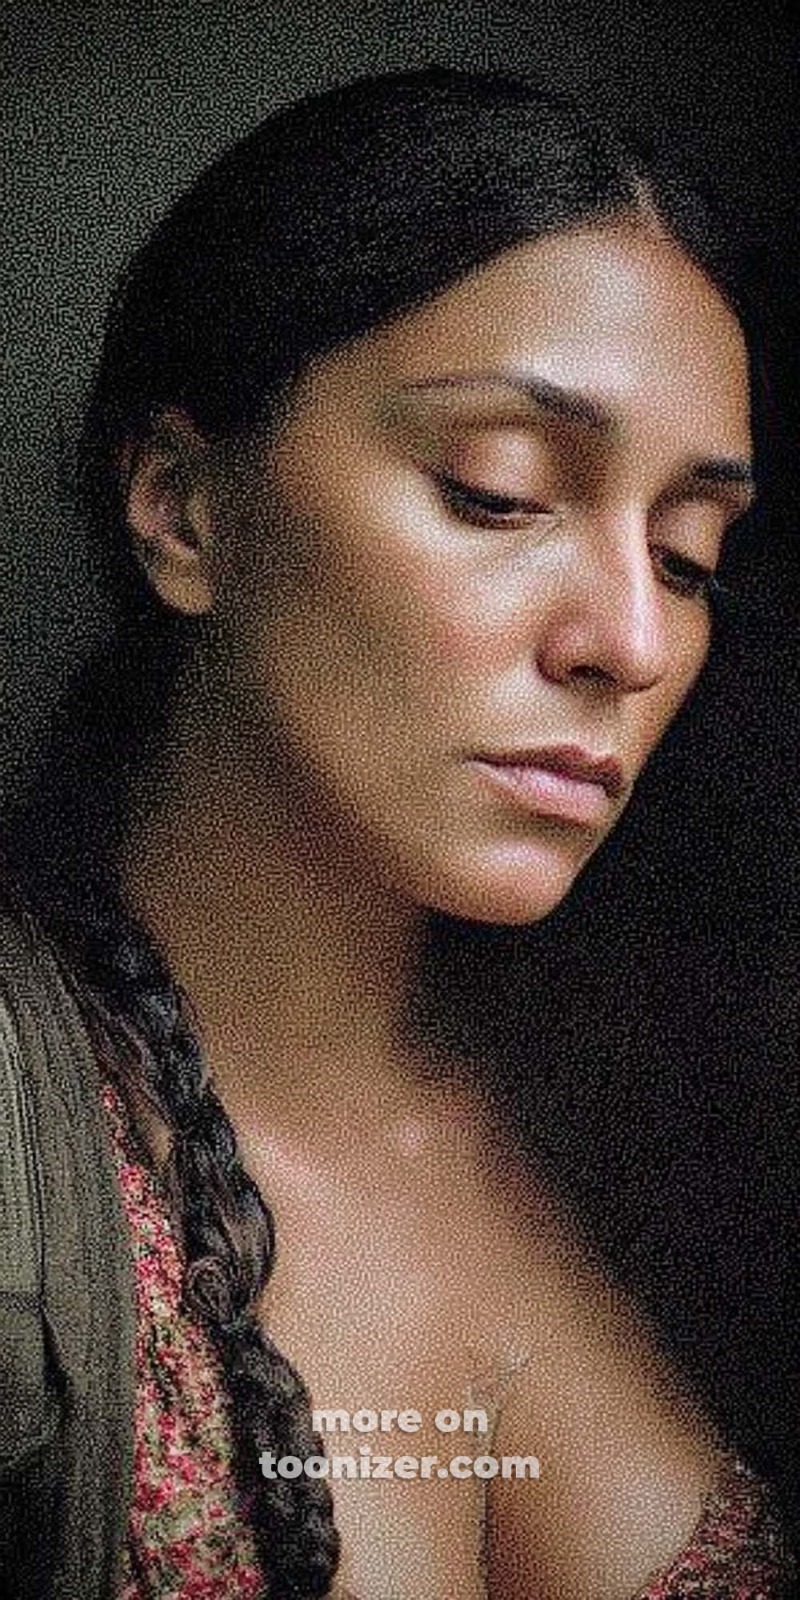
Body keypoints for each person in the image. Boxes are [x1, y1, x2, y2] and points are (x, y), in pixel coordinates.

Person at [0, 64, 794, 1600]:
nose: (630, 638)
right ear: (181, 507)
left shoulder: (681, 1100)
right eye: (498, 494)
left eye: (690, 554)